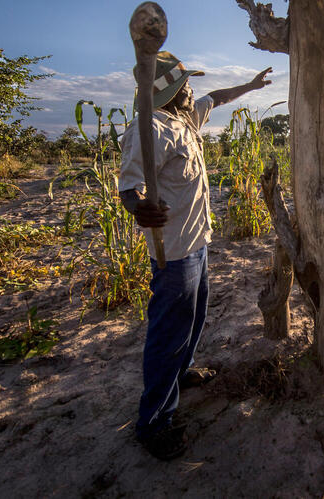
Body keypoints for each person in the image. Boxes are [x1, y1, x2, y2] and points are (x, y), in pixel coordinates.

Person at [118, 51, 272, 460]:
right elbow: (129, 187)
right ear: (171, 92)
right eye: (186, 86)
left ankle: (181, 375)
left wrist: (252, 86)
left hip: (197, 244)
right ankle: (153, 423)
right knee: (168, 333)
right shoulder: (148, 128)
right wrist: (138, 207)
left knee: (195, 318)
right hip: (174, 254)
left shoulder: (185, 120)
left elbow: (217, 98)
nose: (193, 91)